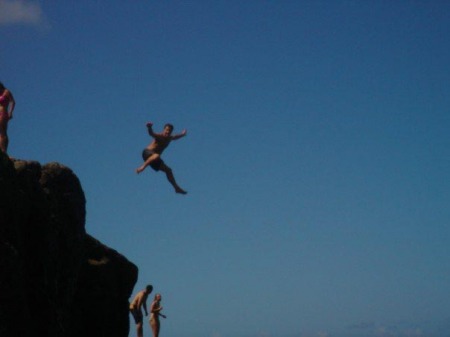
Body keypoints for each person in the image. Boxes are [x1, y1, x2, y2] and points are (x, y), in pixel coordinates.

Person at [136, 122, 188, 195]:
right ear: (164, 130)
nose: (167, 132)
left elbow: (176, 137)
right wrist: (149, 127)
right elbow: (151, 134)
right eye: (166, 130)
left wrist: (182, 134)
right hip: (147, 153)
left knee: (169, 170)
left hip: (154, 159)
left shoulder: (170, 138)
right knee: (157, 155)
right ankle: (142, 167)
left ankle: (176, 188)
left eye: (169, 131)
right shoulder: (159, 136)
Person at [0, 82, 16, 154]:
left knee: (3, 132)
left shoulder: (6, 92)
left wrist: (10, 112)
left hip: (3, 113)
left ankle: (4, 150)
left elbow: (12, 102)